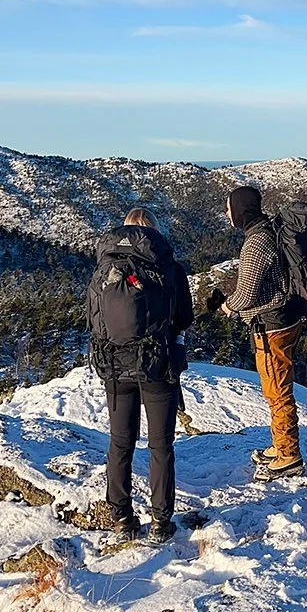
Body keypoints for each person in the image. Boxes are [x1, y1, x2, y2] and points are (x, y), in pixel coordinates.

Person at [89, 207, 194, 544]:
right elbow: (185, 317)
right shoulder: (169, 267)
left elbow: (91, 317)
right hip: (157, 364)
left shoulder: (104, 268)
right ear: (154, 233)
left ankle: (121, 516)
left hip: (115, 366)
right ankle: (161, 520)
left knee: (121, 441)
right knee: (160, 444)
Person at [217, 185, 305, 481]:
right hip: (288, 317)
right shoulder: (271, 230)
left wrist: (228, 307)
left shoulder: (256, 242)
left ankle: (288, 455)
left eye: (229, 208)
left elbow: (246, 293)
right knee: (278, 388)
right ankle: (281, 444)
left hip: (272, 326)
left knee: (276, 391)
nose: (227, 214)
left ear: (239, 210)